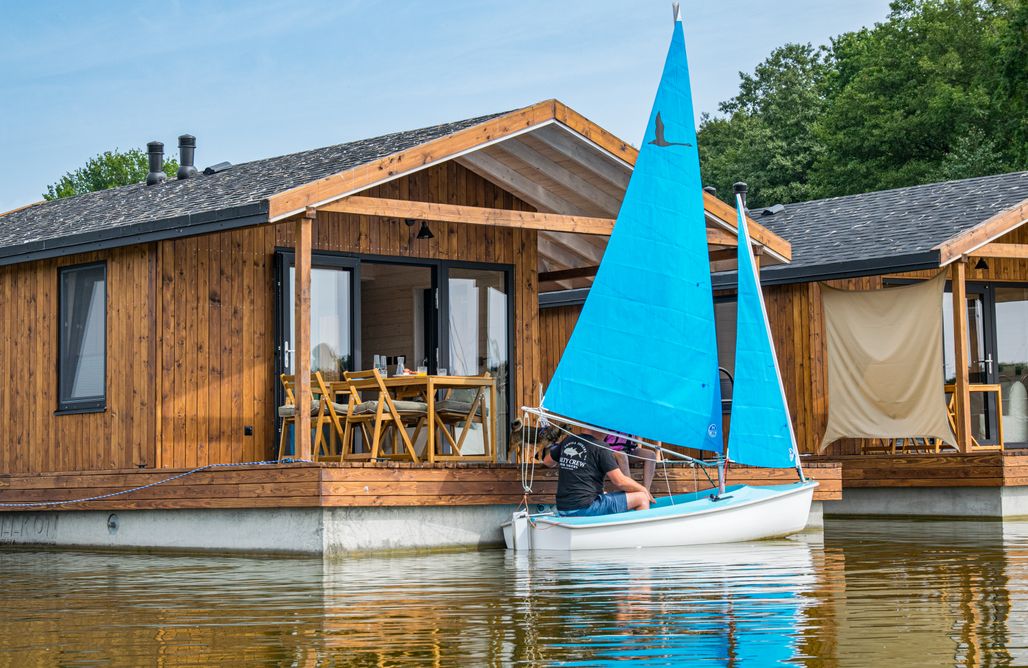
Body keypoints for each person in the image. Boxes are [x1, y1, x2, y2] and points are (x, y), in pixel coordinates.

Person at [542, 427, 654, 517]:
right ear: (599, 429)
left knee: (606, 495)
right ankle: (637, 539)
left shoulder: (568, 440)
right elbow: (619, 481)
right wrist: (644, 489)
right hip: (586, 508)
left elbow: (548, 462)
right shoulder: (601, 447)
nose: (607, 433)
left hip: (563, 508)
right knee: (641, 497)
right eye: (607, 430)